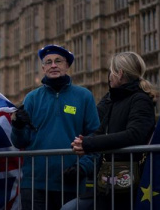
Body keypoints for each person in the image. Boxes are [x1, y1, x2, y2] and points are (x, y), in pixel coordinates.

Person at [61, 51, 157, 210]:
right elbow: (96, 126)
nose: (109, 76)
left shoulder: (140, 100)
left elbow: (134, 135)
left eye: (111, 72)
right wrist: (82, 141)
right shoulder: (113, 99)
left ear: (120, 74)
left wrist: (89, 143)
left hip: (129, 183)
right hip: (106, 182)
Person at [10, 44, 100, 210]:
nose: (53, 65)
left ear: (67, 65)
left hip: (71, 183)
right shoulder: (32, 98)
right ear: (43, 68)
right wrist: (17, 126)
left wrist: (83, 168)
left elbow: (95, 138)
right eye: (48, 62)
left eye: (58, 61)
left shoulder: (84, 96)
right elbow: (20, 142)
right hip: (34, 183)